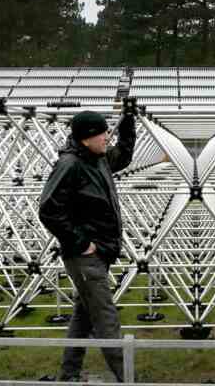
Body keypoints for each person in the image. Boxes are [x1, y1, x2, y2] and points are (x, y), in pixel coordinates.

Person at [39, 110, 136, 382]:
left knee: (83, 317)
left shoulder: (98, 159)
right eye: (102, 133)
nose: (108, 137)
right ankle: (128, 378)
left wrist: (129, 123)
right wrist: (81, 243)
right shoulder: (69, 164)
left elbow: (124, 157)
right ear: (85, 138)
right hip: (85, 257)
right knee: (106, 318)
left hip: (100, 253)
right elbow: (48, 209)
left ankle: (68, 374)